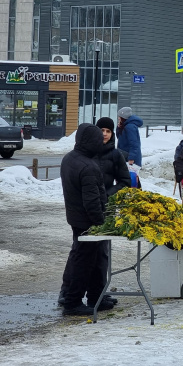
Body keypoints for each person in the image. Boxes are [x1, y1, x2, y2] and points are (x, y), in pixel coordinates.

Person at [59, 123, 112, 316]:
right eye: (98, 140)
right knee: (84, 262)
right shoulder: (88, 166)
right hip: (87, 222)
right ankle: (73, 302)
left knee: (94, 259)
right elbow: (92, 201)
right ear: (92, 142)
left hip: (76, 218)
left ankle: (96, 297)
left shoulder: (70, 159)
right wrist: (101, 223)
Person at [95, 117, 132, 198]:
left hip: (105, 204)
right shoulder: (88, 152)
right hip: (86, 203)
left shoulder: (116, 154)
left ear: (112, 134)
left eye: (108, 131)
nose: (105, 134)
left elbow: (125, 182)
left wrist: (108, 194)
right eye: (102, 130)